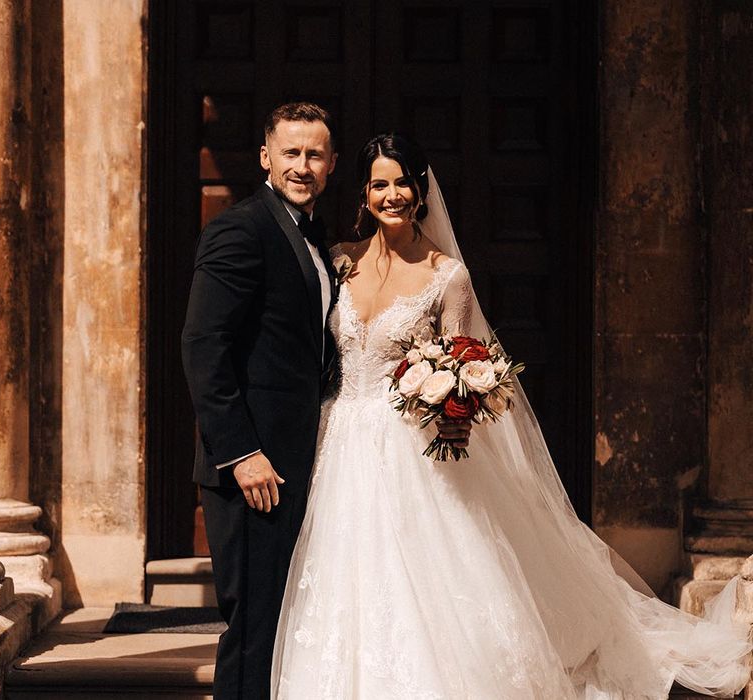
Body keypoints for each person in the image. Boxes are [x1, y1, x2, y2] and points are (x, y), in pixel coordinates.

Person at [271, 133, 752, 699]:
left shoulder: (446, 275)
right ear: (364, 192)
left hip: (409, 448)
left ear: (422, 192)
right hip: (341, 441)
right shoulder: (338, 262)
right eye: (380, 183)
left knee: (424, 577)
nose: (393, 194)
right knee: (344, 574)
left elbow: (463, 361)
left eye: (404, 182)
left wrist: (453, 406)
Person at [181, 105, 470, 699]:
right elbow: (203, 345)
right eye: (291, 153)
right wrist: (240, 453)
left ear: (333, 165)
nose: (303, 166)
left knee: (293, 622)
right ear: (266, 157)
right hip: (253, 467)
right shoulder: (241, 229)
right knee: (254, 627)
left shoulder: (323, 245)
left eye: (315, 155)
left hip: (316, 463)